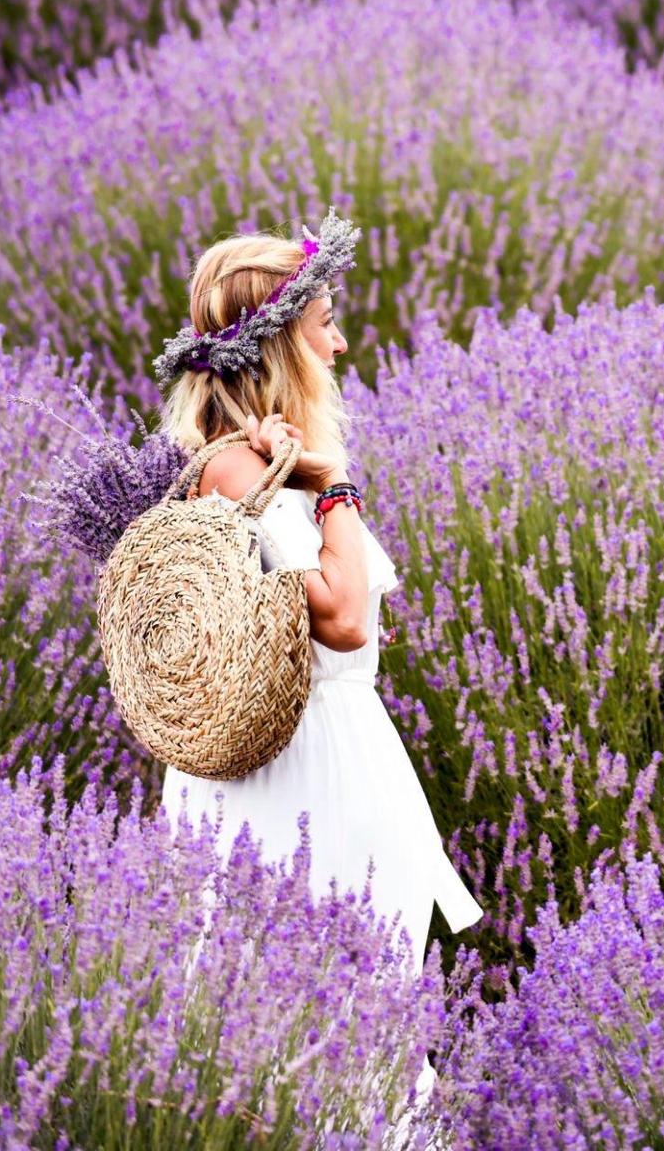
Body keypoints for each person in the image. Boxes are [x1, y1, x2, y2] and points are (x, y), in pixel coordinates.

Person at [151, 212, 480, 1130]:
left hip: (326, 757)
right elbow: (340, 618)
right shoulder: (232, 469)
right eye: (322, 322)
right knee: (304, 1021)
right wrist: (335, 484)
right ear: (275, 346)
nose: (338, 341)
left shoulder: (269, 462)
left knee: (359, 1013)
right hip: (290, 774)